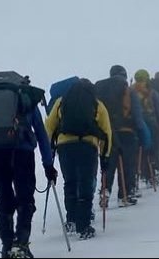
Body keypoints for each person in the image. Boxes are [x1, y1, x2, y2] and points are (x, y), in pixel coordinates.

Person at [0, 71, 58, 258]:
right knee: (25, 199)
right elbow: (42, 134)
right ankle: (21, 244)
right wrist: (48, 164)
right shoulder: (25, 98)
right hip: (23, 154)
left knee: (4, 201)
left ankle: (7, 245)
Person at [45, 77, 111, 240]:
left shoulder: (61, 101)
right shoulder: (97, 104)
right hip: (88, 146)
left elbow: (48, 126)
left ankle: (71, 220)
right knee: (86, 183)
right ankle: (84, 226)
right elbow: (107, 132)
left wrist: (50, 150)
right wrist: (105, 156)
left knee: (70, 183)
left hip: (65, 146)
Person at [94, 65, 151, 206]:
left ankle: (105, 192)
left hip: (107, 132)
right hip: (127, 131)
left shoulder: (100, 89)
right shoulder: (128, 90)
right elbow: (138, 116)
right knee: (127, 164)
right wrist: (144, 137)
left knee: (109, 163)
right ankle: (126, 194)